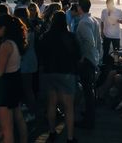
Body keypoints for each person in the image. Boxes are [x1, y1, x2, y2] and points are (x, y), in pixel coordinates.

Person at [39, 11, 80, 143]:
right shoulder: (71, 37)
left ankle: (52, 132)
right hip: (66, 73)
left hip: (49, 73)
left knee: (51, 103)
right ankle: (70, 137)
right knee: (69, 106)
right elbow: (77, 55)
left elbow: (40, 54)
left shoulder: (45, 36)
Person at [0, 15, 28, 143]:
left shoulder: (6, 45)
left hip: (6, 86)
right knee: (19, 118)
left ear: (3, 28)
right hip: (15, 81)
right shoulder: (15, 42)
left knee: (7, 129)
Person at [76, 0, 101, 129]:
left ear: (80, 7)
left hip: (87, 61)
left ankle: (88, 120)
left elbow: (90, 42)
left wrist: (83, 57)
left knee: (87, 90)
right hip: (93, 59)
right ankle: (89, 114)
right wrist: (98, 57)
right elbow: (98, 41)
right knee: (90, 89)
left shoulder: (83, 23)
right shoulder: (94, 21)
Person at [14, 8, 38, 122]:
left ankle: (32, 112)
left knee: (27, 88)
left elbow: (24, 48)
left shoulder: (25, 29)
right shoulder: (31, 26)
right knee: (27, 87)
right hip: (31, 60)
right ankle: (28, 108)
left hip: (26, 62)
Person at [100, 0, 122, 66]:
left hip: (116, 36)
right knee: (105, 51)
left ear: (113, 4)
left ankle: (116, 65)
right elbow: (102, 22)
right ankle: (104, 64)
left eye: (109, 5)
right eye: (107, 5)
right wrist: (102, 32)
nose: (108, 7)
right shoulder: (104, 11)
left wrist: (118, 20)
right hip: (106, 35)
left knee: (116, 52)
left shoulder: (119, 11)